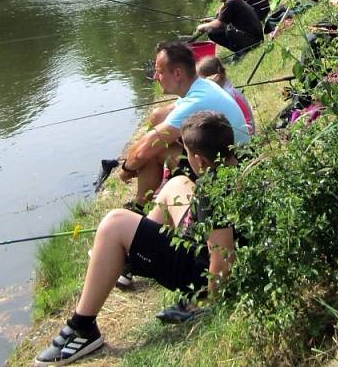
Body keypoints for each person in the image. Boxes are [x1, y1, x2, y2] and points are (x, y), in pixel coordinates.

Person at [34, 111, 239, 366]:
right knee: (176, 185)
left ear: (198, 160)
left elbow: (222, 264)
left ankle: (82, 328)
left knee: (113, 223)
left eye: (186, 154)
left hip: (200, 274)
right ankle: (129, 257)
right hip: (206, 249)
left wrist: (203, 304)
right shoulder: (240, 164)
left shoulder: (213, 193)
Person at [117, 42, 249, 206]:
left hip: (230, 170)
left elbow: (142, 152)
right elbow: (160, 116)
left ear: (178, 73)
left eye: (159, 72)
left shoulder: (195, 101)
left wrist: (126, 169)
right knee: (157, 129)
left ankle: (139, 206)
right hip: (233, 156)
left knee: (155, 151)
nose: (155, 77)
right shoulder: (201, 85)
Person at [196, 0, 264, 54]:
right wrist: (211, 21)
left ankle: (240, 51)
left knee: (212, 32)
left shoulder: (231, 3)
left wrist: (204, 26)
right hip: (256, 39)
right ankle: (240, 49)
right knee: (217, 27)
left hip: (253, 41)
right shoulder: (234, 0)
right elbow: (223, 19)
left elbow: (220, 24)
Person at [196, 56, 255, 134]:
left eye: (203, 81)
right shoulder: (226, 89)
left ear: (215, 77)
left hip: (245, 134)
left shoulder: (226, 94)